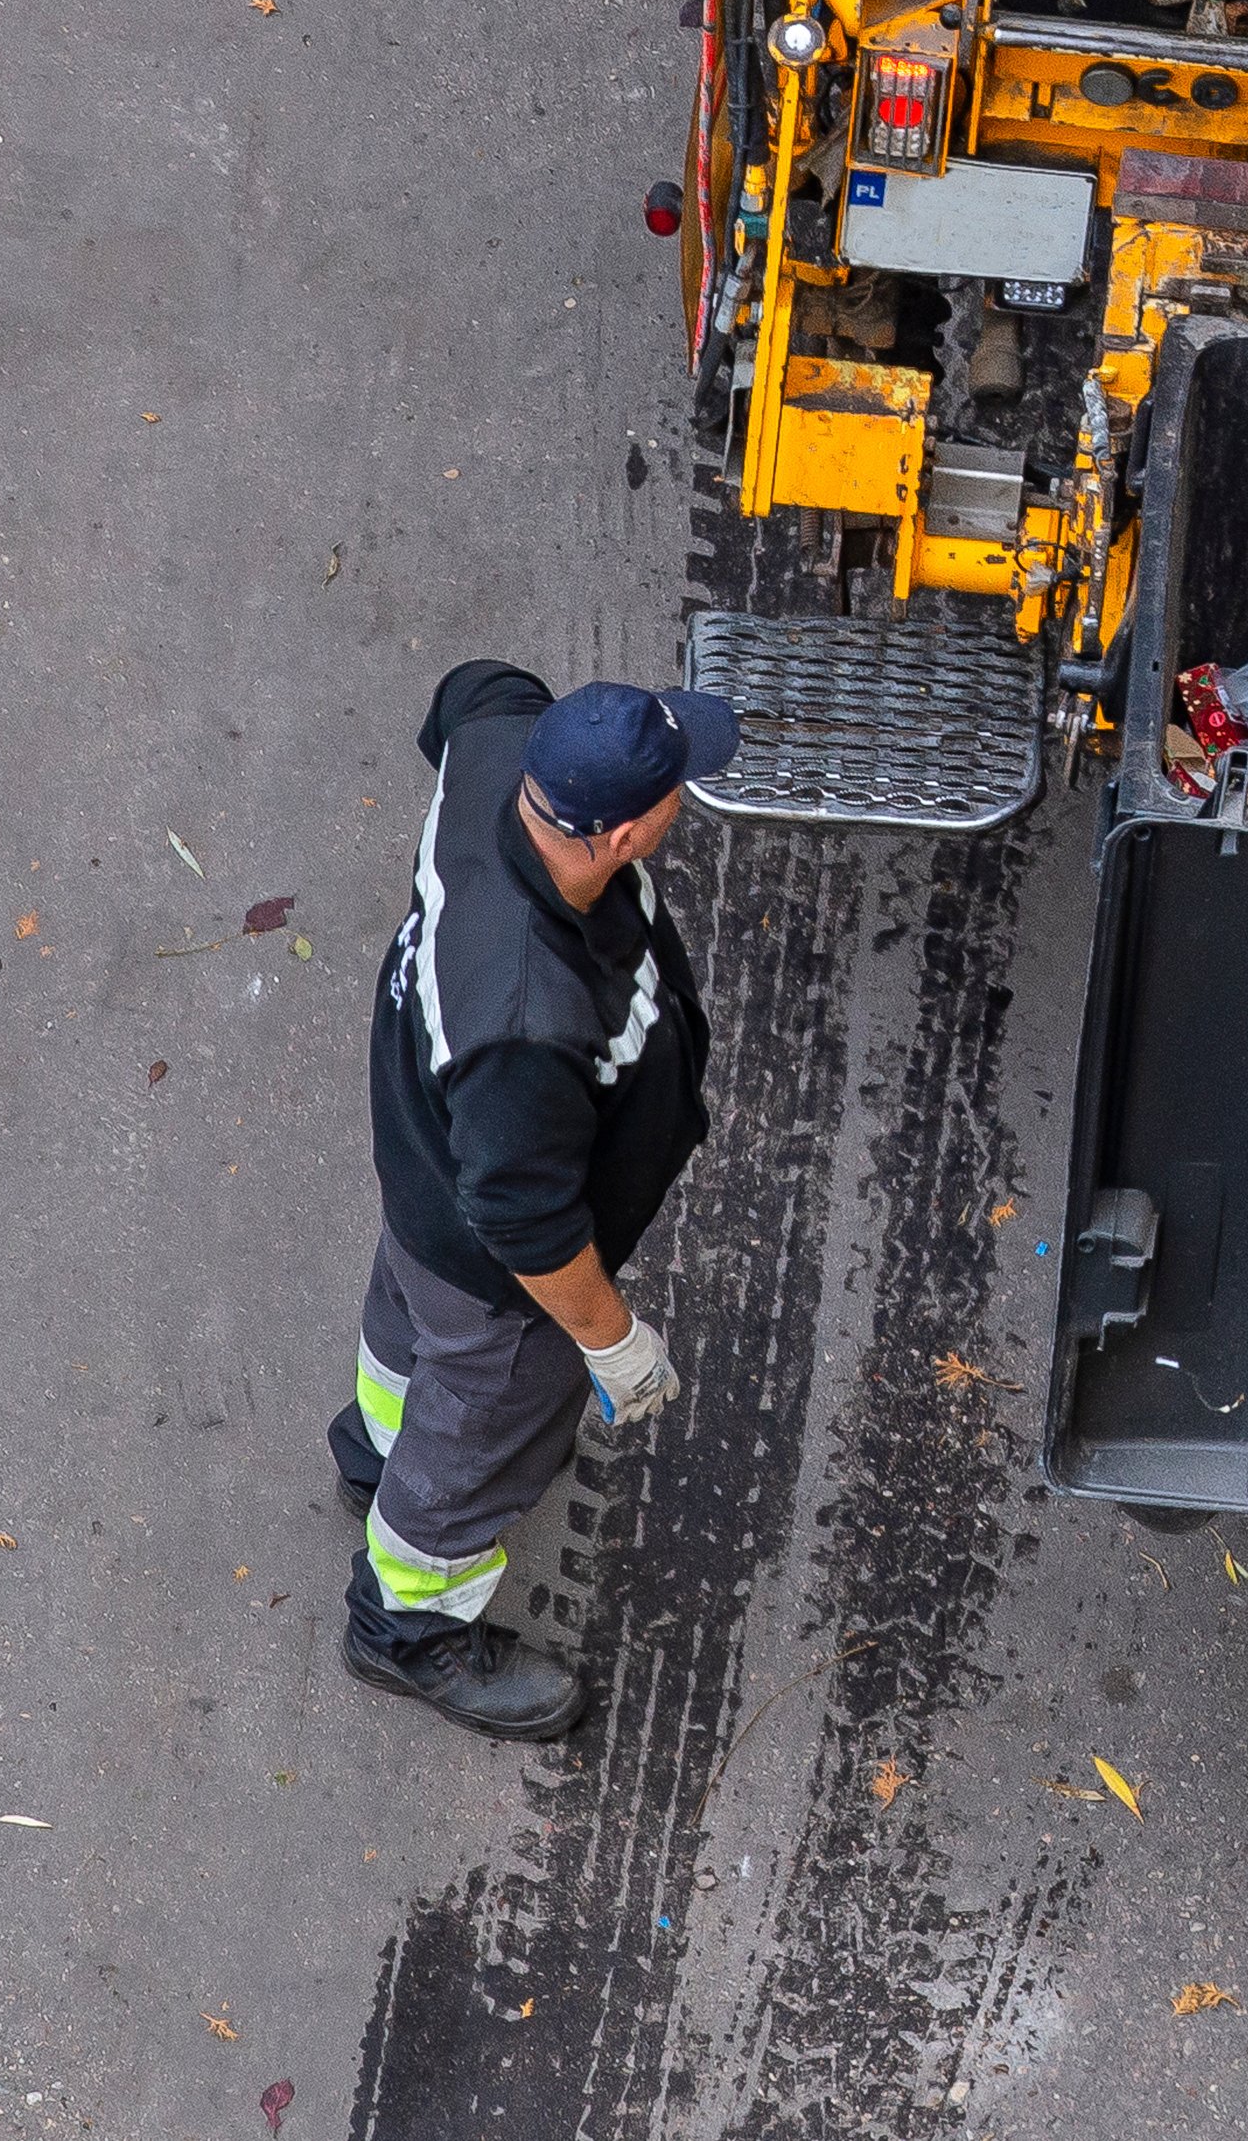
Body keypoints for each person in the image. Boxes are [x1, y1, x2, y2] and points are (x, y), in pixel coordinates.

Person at [332, 661, 730, 1735]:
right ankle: (406, 1626)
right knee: (481, 1420)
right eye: (670, 786)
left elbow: (474, 684)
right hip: (496, 1269)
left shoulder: (500, 750)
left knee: (406, 1335)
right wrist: (612, 1341)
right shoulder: (525, 1018)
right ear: (621, 835)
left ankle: (375, 1455)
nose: (681, 794)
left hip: (423, 1163)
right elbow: (526, 1221)